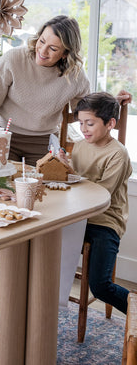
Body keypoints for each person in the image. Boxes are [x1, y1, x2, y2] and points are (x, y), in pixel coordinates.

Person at [0, 15, 90, 165]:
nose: (42, 51)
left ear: (65, 54)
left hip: (44, 142)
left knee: (41, 186)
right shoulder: (13, 59)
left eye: (53, 48)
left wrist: (113, 102)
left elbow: (85, 112)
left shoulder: (75, 75)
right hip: (4, 136)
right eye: (42, 41)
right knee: (1, 185)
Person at [58, 92, 132, 314]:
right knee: (39, 248)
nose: (84, 129)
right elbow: (74, 186)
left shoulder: (118, 154)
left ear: (110, 123)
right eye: (81, 123)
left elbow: (101, 196)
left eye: (90, 123)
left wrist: (70, 173)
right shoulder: (80, 146)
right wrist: (62, 167)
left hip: (105, 221)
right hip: (78, 217)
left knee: (100, 286)